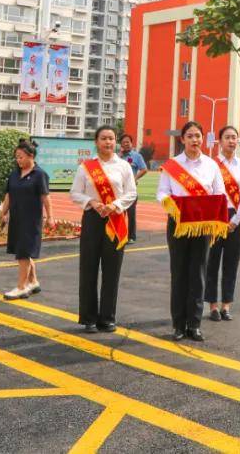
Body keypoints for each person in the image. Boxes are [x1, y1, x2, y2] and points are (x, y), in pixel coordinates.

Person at [157, 121, 226, 341]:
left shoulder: (211, 165)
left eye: (198, 135)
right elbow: (162, 193)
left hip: (202, 225)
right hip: (179, 224)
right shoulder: (172, 165)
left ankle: (194, 324)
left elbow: (220, 193)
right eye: (190, 136)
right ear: (182, 139)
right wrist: (173, 205)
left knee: (199, 274)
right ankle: (178, 324)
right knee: (179, 273)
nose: (194, 140)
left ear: (203, 138)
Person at [71, 126, 137, 333]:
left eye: (111, 138)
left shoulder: (123, 166)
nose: (108, 142)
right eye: (103, 139)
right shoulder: (86, 167)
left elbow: (131, 193)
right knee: (89, 268)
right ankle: (89, 318)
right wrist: (92, 201)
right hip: (93, 219)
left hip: (115, 221)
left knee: (112, 271)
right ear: (96, 142)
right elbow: (75, 193)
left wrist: (114, 205)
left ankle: (107, 318)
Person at [205, 126, 240, 322]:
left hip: (236, 218)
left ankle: (226, 305)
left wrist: (234, 221)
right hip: (215, 217)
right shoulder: (211, 164)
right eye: (227, 137)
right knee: (212, 263)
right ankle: (213, 306)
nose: (231, 141)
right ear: (220, 141)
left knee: (231, 263)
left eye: (234, 137)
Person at [0, 138, 51, 300]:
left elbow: (45, 197)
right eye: (16, 157)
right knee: (23, 251)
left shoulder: (39, 174)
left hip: (31, 220)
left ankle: (21, 287)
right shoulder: (14, 174)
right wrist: (4, 213)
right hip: (17, 219)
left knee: (23, 253)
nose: (18, 160)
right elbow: (9, 195)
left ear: (31, 156)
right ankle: (33, 281)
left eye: (21, 157)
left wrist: (50, 216)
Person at [119, 134, 148, 244]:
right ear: (121, 144)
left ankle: (131, 237)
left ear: (131, 143)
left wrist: (134, 178)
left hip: (130, 190)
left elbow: (144, 169)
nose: (126, 144)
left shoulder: (137, 156)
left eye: (128, 142)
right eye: (124, 142)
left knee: (131, 214)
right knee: (119, 213)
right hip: (118, 190)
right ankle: (119, 234)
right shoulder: (117, 157)